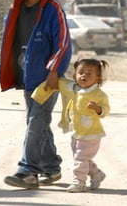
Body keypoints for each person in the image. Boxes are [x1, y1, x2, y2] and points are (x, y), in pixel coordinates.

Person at [0, 0, 72, 189]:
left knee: (36, 121)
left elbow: (63, 42)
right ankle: (51, 166)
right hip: (26, 76)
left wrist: (54, 70)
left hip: (46, 78)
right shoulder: (15, 10)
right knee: (38, 122)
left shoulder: (52, 8)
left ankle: (28, 171)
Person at [32, 58, 111, 193]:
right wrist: (39, 94)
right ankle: (96, 173)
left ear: (98, 78)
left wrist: (98, 109)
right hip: (77, 132)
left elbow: (106, 109)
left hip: (91, 134)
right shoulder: (73, 88)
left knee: (80, 158)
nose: (84, 75)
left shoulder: (99, 94)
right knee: (82, 158)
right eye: (81, 72)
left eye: (89, 73)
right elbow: (56, 83)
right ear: (75, 75)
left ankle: (79, 181)